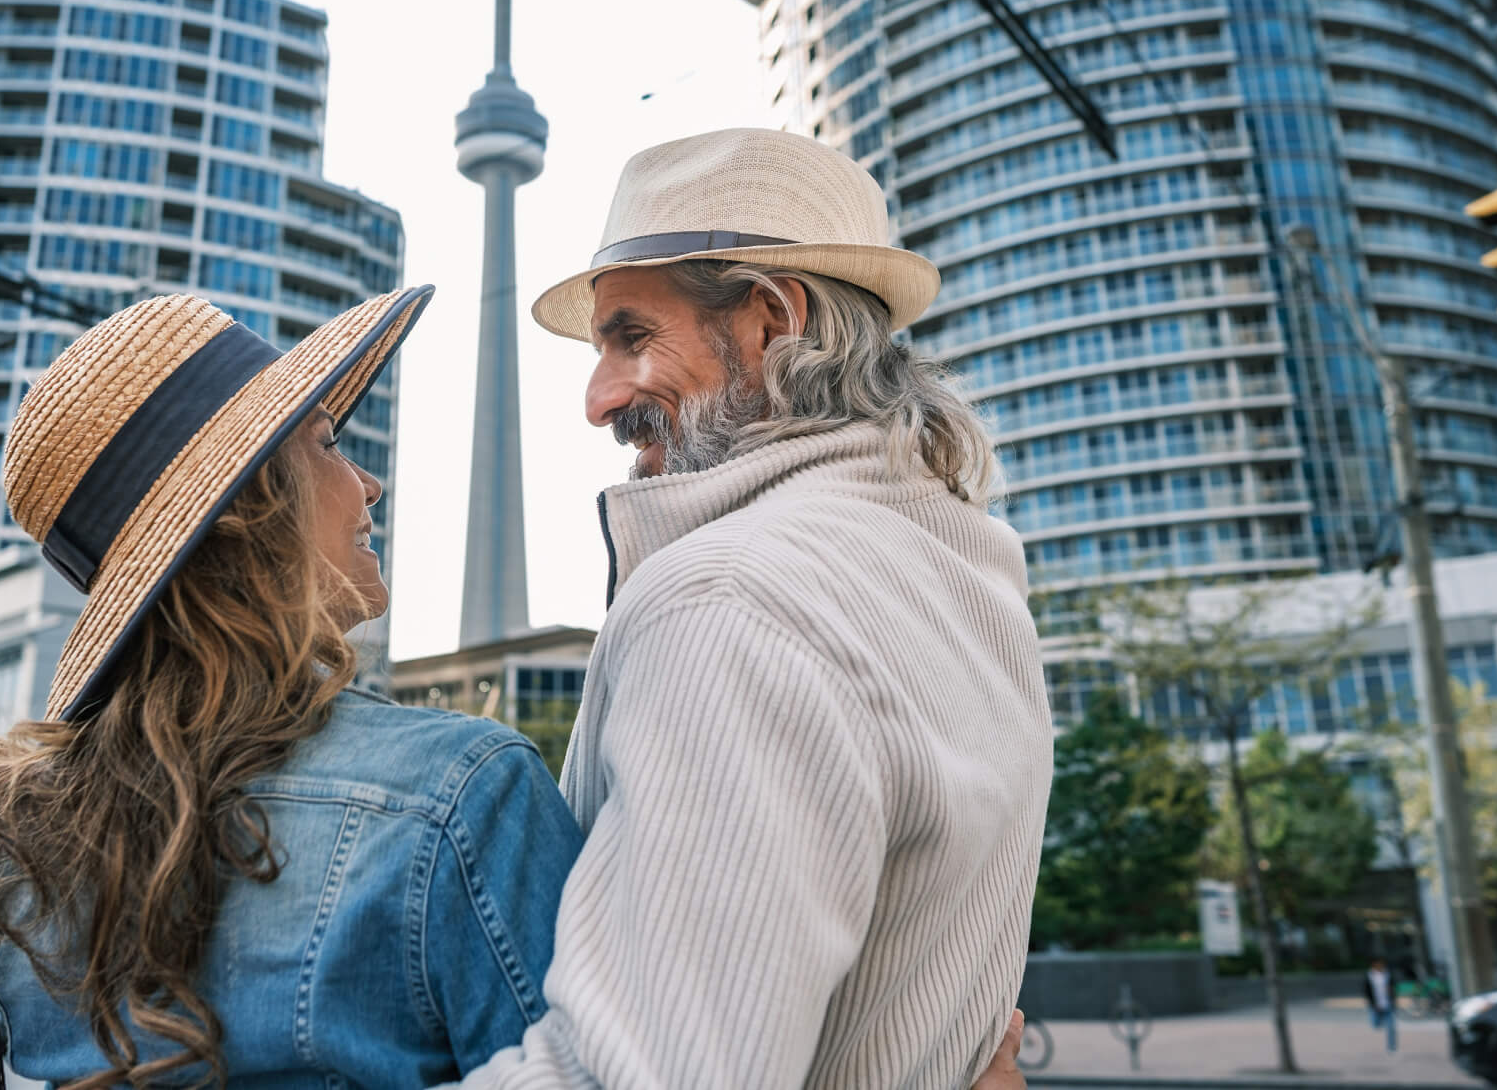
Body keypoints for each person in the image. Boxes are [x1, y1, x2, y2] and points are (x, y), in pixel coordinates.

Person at [0, 286, 1032, 1090]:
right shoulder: (456, 799)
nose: (366, 485)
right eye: (324, 445)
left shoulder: (19, 848)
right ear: (250, 514)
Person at [444, 128, 1053, 1087]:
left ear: (770, 321)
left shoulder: (731, 596)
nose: (598, 401)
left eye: (630, 336)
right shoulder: (972, 578)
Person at [1363, 958, 1397, 1053]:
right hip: (1375, 1006)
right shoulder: (1369, 976)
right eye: (1377, 964)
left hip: (1387, 1005)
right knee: (1375, 1024)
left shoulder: (1387, 975)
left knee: (1391, 1027)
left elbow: (1393, 988)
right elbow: (1367, 991)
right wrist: (1373, 1003)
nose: (1380, 966)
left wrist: (1393, 998)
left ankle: (1391, 1047)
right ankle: (1381, 1020)